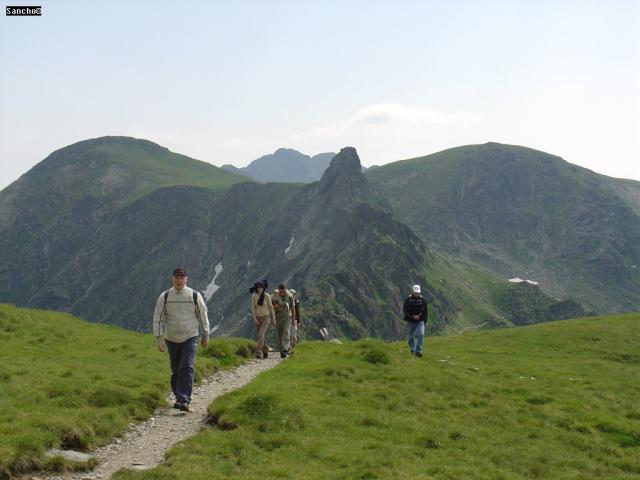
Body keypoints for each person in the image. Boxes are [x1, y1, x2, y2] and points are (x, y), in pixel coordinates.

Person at [153, 268, 209, 412]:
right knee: (175, 369)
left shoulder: (194, 296)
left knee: (187, 366)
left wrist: (205, 334)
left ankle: (184, 399)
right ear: (173, 279)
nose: (179, 280)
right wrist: (159, 339)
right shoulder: (165, 296)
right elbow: (158, 318)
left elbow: (202, 315)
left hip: (190, 336)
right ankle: (179, 397)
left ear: (186, 279)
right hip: (171, 339)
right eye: (177, 278)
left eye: (182, 278)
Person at [251, 281, 276, 359]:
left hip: (266, 317)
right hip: (258, 317)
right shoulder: (254, 296)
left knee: (261, 334)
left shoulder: (267, 296)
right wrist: (254, 318)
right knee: (262, 336)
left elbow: (271, 307)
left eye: (261, 288)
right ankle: (265, 351)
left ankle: (258, 352)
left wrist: (273, 318)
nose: (260, 289)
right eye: (258, 288)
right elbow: (253, 308)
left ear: (263, 288)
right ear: (256, 288)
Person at [403, 284, 428, 357]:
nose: (416, 293)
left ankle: (418, 351)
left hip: (420, 320)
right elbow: (405, 310)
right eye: (415, 292)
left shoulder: (423, 300)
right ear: (412, 292)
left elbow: (425, 311)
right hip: (411, 321)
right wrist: (412, 316)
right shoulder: (408, 300)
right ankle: (412, 349)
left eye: (418, 292)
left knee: (421, 334)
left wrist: (425, 321)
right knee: (411, 336)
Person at [271, 283, 295, 358]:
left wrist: (294, 319)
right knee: (279, 333)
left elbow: (293, 308)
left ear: (286, 290)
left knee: (286, 331)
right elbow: (270, 306)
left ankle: (285, 349)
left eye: (283, 291)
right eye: (280, 292)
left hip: (288, 316)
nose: (282, 293)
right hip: (278, 316)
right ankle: (282, 351)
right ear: (278, 290)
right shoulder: (274, 296)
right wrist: (275, 306)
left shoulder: (290, 296)